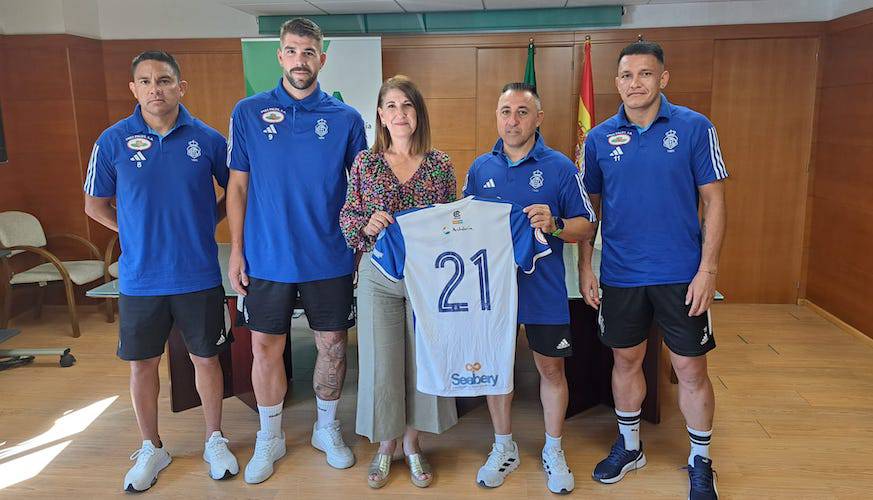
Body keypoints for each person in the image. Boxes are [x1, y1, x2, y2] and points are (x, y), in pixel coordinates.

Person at [579, 40, 727, 500]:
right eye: (626, 75)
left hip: (682, 274)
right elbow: (589, 212)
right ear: (616, 82)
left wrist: (709, 270)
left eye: (645, 74)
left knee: (689, 368)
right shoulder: (599, 138)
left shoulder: (694, 128)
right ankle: (630, 445)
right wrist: (587, 266)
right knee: (626, 360)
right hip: (621, 274)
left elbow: (715, 202)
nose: (635, 83)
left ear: (663, 78)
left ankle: (701, 459)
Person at [84, 51, 237, 492]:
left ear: (180, 87)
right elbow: (94, 204)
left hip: (198, 274)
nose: (156, 89)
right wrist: (130, 230)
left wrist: (208, 220)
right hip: (141, 278)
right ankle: (152, 446)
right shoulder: (111, 141)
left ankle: (214, 438)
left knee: (206, 359)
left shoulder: (207, 140)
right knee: (142, 365)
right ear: (134, 89)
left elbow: (236, 189)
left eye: (165, 80)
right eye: (147, 82)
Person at [225, 18, 367, 484]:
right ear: (280, 56)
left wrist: (361, 249)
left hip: (329, 256)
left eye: (309, 52)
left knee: (332, 346)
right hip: (267, 258)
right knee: (265, 347)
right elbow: (239, 188)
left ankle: (327, 428)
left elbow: (361, 190)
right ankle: (271, 435)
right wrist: (237, 251)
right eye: (291, 51)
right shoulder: (247, 112)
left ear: (321, 58)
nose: (300, 60)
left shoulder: (345, 119)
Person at [463, 82, 597, 494]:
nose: (513, 120)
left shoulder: (559, 167)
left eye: (523, 112)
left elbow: (586, 225)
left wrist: (555, 223)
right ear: (496, 117)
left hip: (542, 288)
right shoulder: (480, 168)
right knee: (496, 372)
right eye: (506, 111)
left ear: (538, 119)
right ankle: (503, 446)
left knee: (550, 369)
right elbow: (465, 227)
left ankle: (553, 448)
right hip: (492, 292)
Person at [339, 74, 459, 489]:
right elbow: (347, 217)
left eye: (406, 105)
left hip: (429, 279)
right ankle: (386, 445)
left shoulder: (440, 164)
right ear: (380, 115)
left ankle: (413, 444)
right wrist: (367, 223)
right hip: (379, 276)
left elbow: (454, 224)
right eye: (391, 106)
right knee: (381, 361)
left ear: (417, 113)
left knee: (423, 361)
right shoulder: (366, 163)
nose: (399, 113)